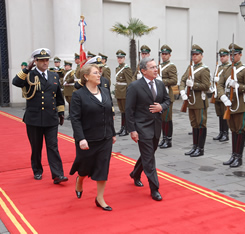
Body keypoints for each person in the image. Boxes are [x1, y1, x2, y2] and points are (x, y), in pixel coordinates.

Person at [12, 48, 68, 184]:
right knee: (36, 147)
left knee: (53, 146)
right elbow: (16, 82)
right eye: (42, 60)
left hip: (51, 118)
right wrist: (26, 69)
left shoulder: (54, 76)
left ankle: (58, 174)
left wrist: (61, 113)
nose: (45, 62)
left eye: (46, 60)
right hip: (34, 118)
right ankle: (37, 170)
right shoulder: (29, 76)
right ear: (35, 61)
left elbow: (59, 98)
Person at [70, 63, 116, 211]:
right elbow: (75, 118)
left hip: (105, 137)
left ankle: (100, 198)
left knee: (103, 167)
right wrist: (81, 138)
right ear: (86, 76)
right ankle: (80, 179)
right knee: (85, 167)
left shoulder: (105, 91)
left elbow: (109, 114)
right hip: (87, 139)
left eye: (99, 72)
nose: (99, 75)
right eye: (95, 72)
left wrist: (113, 133)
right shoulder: (78, 95)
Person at [126, 57, 171, 201]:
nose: (156, 69)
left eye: (156, 67)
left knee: (149, 154)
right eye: (152, 67)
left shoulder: (159, 83)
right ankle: (154, 189)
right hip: (142, 127)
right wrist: (132, 130)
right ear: (143, 71)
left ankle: (135, 173)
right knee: (149, 159)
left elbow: (167, 100)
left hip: (156, 126)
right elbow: (129, 110)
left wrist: (161, 107)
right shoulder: (135, 86)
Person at [218, 43, 245, 167]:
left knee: (240, 130)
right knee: (233, 130)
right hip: (229, 103)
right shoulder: (227, 69)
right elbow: (220, 84)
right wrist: (223, 97)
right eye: (231, 54)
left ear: (240, 55)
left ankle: (239, 156)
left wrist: (237, 86)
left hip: (240, 105)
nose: (232, 57)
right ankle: (233, 155)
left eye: (235, 54)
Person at [180, 44, 210, 157]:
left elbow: (206, 86)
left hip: (199, 101)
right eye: (193, 55)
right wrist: (182, 91)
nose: (195, 57)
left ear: (201, 56)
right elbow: (182, 80)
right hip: (190, 100)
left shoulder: (204, 70)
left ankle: (200, 148)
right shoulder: (190, 68)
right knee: (194, 124)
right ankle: (195, 146)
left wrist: (194, 85)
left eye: (197, 55)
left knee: (201, 124)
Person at [158, 44, 178, 148]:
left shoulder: (171, 66)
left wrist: (162, 81)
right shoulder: (159, 66)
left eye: (166, 54)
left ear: (169, 55)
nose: (164, 56)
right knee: (161, 119)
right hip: (159, 95)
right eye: (163, 54)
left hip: (167, 95)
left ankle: (168, 140)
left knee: (167, 118)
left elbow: (174, 80)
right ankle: (163, 138)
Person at [212, 48, 230, 142]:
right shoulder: (219, 67)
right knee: (219, 114)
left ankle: (225, 133)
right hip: (217, 94)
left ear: (228, 57)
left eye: (224, 56)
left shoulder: (229, 67)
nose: (222, 58)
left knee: (224, 114)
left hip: (224, 94)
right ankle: (221, 132)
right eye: (221, 56)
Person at [115, 50, 133, 136]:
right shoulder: (118, 68)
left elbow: (130, 82)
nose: (119, 59)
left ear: (124, 58)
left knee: (125, 111)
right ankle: (122, 127)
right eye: (118, 58)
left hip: (124, 93)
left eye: (121, 58)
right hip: (119, 92)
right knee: (122, 111)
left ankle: (126, 128)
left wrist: (129, 94)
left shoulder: (126, 69)